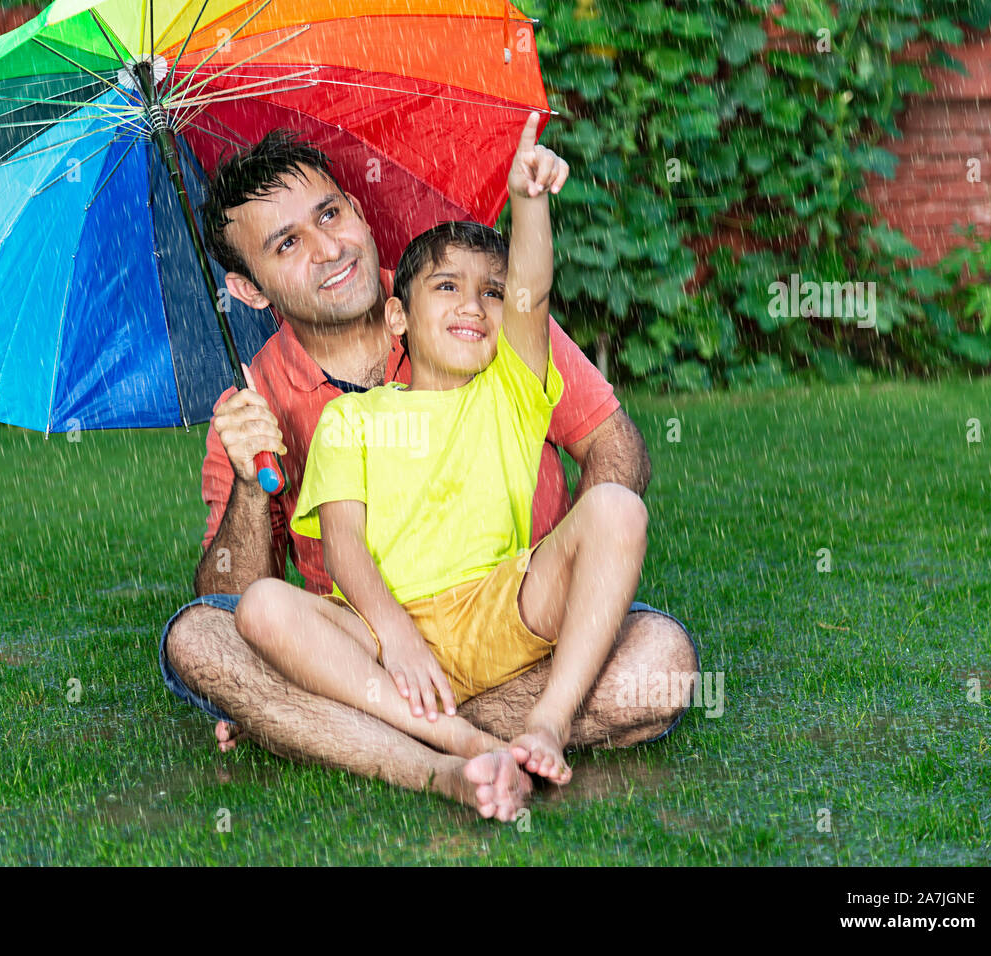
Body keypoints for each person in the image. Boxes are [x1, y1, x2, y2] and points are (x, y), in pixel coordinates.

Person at [159, 120, 701, 817]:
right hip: (367, 644)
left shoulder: (462, 306)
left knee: (659, 664)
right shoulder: (259, 405)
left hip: (514, 620)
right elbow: (228, 598)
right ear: (249, 289)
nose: (330, 249)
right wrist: (244, 475)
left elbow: (614, 446)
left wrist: (570, 578)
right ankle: (434, 748)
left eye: (331, 213)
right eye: (288, 243)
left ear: (357, 209)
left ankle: (321, 725)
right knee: (197, 639)